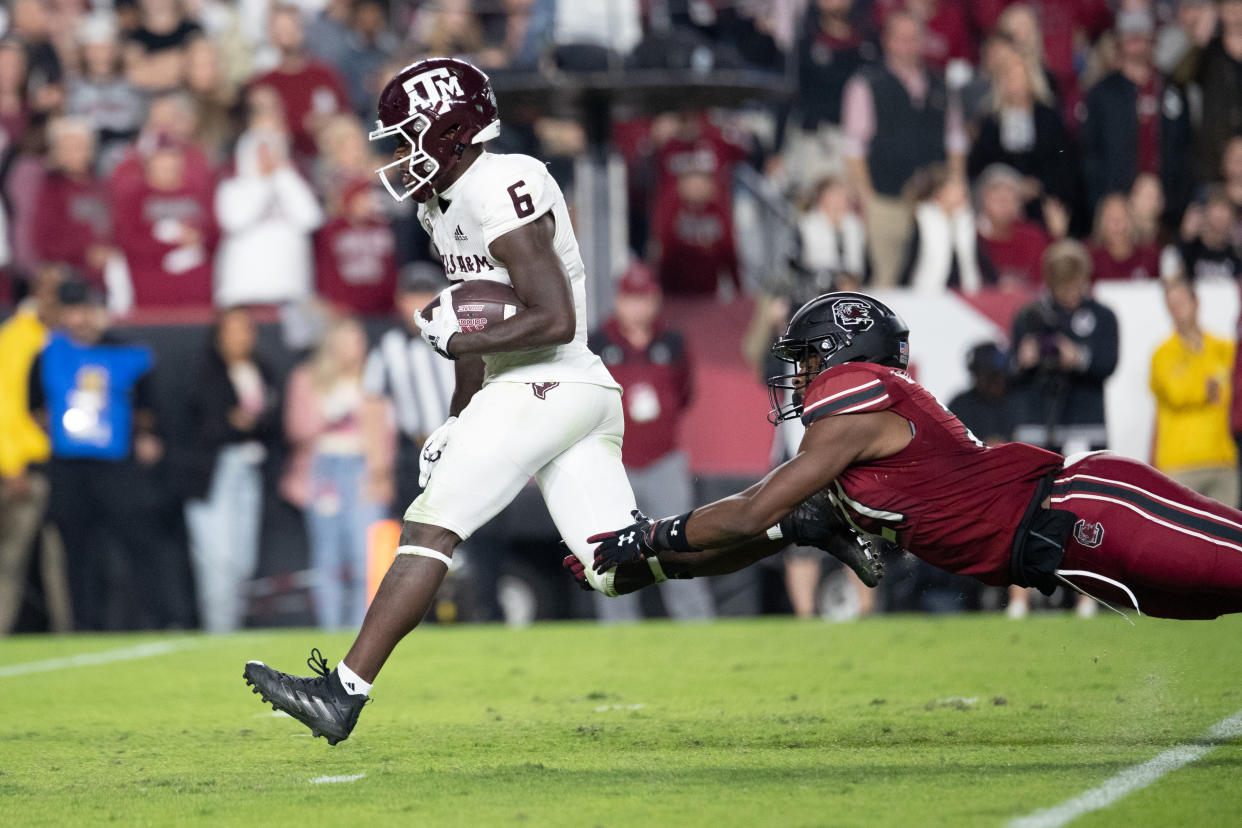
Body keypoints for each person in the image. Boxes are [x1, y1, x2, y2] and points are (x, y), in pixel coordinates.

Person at [241, 58, 644, 744]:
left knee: (430, 527)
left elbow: (554, 319)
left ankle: (341, 695)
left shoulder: (500, 183)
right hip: (548, 386)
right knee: (617, 560)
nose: (399, 155)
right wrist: (458, 416)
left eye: (408, 137)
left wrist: (457, 346)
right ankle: (791, 524)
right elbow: (479, 335)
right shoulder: (441, 204)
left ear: (450, 130)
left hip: (549, 377)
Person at [576, 290, 1242, 628]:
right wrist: (631, 567)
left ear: (841, 355)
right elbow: (740, 543)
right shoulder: (846, 451)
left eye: (807, 360)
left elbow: (754, 510)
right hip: (1066, 553)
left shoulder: (856, 402)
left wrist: (649, 531)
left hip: (1089, 512)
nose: (800, 377)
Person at [586, 262, 714, 622]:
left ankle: (696, 628)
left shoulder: (672, 342)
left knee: (677, 549)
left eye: (644, 298)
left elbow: (686, 392)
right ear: (618, 300)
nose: (638, 307)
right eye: (631, 298)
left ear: (655, 300)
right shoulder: (599, 342)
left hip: (664, 461)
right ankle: (618, 635)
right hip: (614, 464)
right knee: (612, 553)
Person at [841, 10, 968, 287]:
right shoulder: (866, 84)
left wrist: (957, 185)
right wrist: (867, 199)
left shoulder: (941, 84)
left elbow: (955, 141)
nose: (907, 45)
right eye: (900, 38)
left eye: (913, 38)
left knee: (935, 278)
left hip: (934, 204)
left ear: (923, 40)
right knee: (887, 282)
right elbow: (854, 148)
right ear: (887, 41)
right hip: (887, 200)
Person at [282, 316, 389, 630]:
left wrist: (380, 474)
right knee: (327, 558)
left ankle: (362, 632)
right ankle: (330, 630)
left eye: (358, 341)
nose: (354, 349)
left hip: (362, 472)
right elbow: (296, 430)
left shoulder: (373, 380)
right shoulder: (307, 379)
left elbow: (385, 434)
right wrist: (330, 414)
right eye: (347, 341)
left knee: (365, 559)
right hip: (323, 472)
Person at [177, 306, 279, 634]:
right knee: (216, 558)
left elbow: (273, 421)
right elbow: (196, 422)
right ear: (218, 335)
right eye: (232, 330)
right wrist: (229, 422)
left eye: (246, 330)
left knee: (242, 561)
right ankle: (219, 632)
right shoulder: (201, 371)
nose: (240, 337)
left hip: (249, 468)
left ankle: (232, 629)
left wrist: (251, 422)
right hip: (212, 471)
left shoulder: (261, 370)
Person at [360, 264, 457, 518]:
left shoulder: (461, 338)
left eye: (427, 293)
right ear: (400, 301)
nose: (420, 302)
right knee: (418, 526)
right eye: (412, 294)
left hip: (463, 444)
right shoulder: (388, 347)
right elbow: (372, 406)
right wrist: (378, 468)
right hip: (416, 453)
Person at [1009, 240, 1119, 455]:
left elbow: (1109, 363)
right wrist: (1021, 361)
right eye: (1064, 287)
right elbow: (1008, 374)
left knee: (1087, 489)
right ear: (1051, 283)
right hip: (1037, 425)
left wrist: (1079, 358)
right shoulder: (1028, 316)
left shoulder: (1102, 316)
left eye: (1077, 285)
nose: (1072, 293)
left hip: (1085, 424)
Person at [1151, 277, 1237, 506]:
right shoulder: (1163, 354)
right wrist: (1204, 389)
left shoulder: (1225, 348)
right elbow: (1176, 393)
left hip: (1223, 459)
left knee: (1227, 538)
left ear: (1196, 301)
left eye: (1181, 302)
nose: (1177, 311)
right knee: (1181, 538)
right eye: (1171, 305)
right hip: (1180, 463)